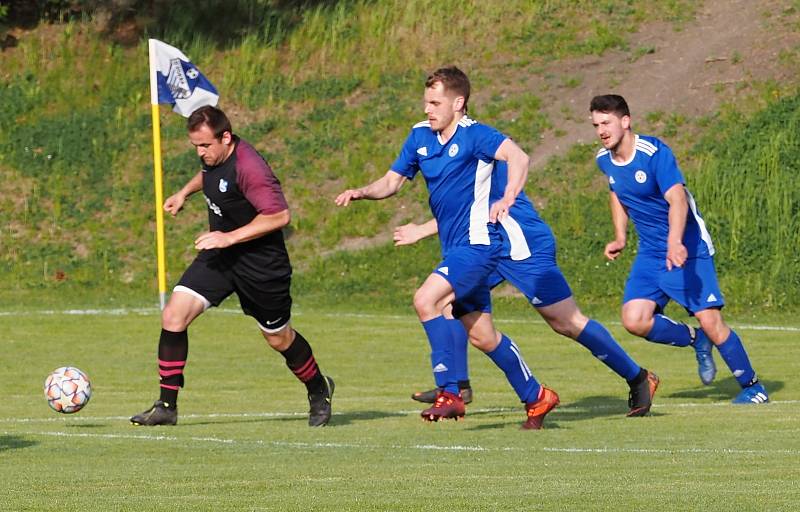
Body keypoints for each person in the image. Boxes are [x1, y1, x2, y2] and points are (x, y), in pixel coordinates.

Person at [335, 66, 559, 429]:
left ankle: (449, 393)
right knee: (482, 336)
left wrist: (508, 197)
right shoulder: (420, 137)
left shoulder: (476, 136)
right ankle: (536, 397)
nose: (428, 109)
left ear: (458, 103)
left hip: (479, 245)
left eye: (435, 103)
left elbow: (520, 158)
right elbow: (392, 182)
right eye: (426, 102)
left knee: (427, 299)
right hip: (454, 247)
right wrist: (362, 192)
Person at [396, 160, 659, 418]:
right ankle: (459, 388)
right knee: (452, 307)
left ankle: (638, 377)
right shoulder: (447, 146)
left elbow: (509, 167)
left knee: (566, 321)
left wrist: (421, 229)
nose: (429, 114)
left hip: (521, 243)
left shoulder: (478, 142)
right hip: (482, 247)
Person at [131, 105, 335, 427]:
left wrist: (229, 238)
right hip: (221, 258)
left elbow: (280, 216)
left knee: (278, 338)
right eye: (195, 146)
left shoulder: (250, 167)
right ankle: (166, 406)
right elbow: (208, 173)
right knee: (173, 315)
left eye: (205, 146)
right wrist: (184, 192)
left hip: (261, 265)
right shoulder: (215, 156)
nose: (200, 153)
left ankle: (318, 388)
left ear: (226, 137)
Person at [589, 94, 768, 404]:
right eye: (595, 125)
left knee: (711, 321)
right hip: (651, 253)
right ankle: (695, 340)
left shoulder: (654, 153)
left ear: (625, 121)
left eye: (606, 123)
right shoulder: (604, 159)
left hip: (688, 246)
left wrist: (675, 242)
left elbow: (678, 199)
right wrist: (620, 236)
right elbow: (617, 192)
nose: (601, 130)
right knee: (634, 319)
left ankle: (753, 388)